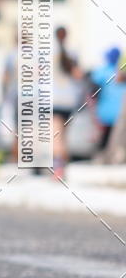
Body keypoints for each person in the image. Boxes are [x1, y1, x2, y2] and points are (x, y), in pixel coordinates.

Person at [52, 26, 81, 180]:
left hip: (54, 100)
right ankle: (62, 168)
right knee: (64, 137)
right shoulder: (72, 53)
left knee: (56, 137)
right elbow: (78, 75)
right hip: (69, 101)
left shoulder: (49, 53)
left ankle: (58, 169)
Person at [91, 47, 126, 155]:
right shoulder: (118, 70)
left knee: (104, 139)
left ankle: (103, 156)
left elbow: (92, 91)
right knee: (115, 138)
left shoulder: (101, 71)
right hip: (117, 112)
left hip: (105, 112)